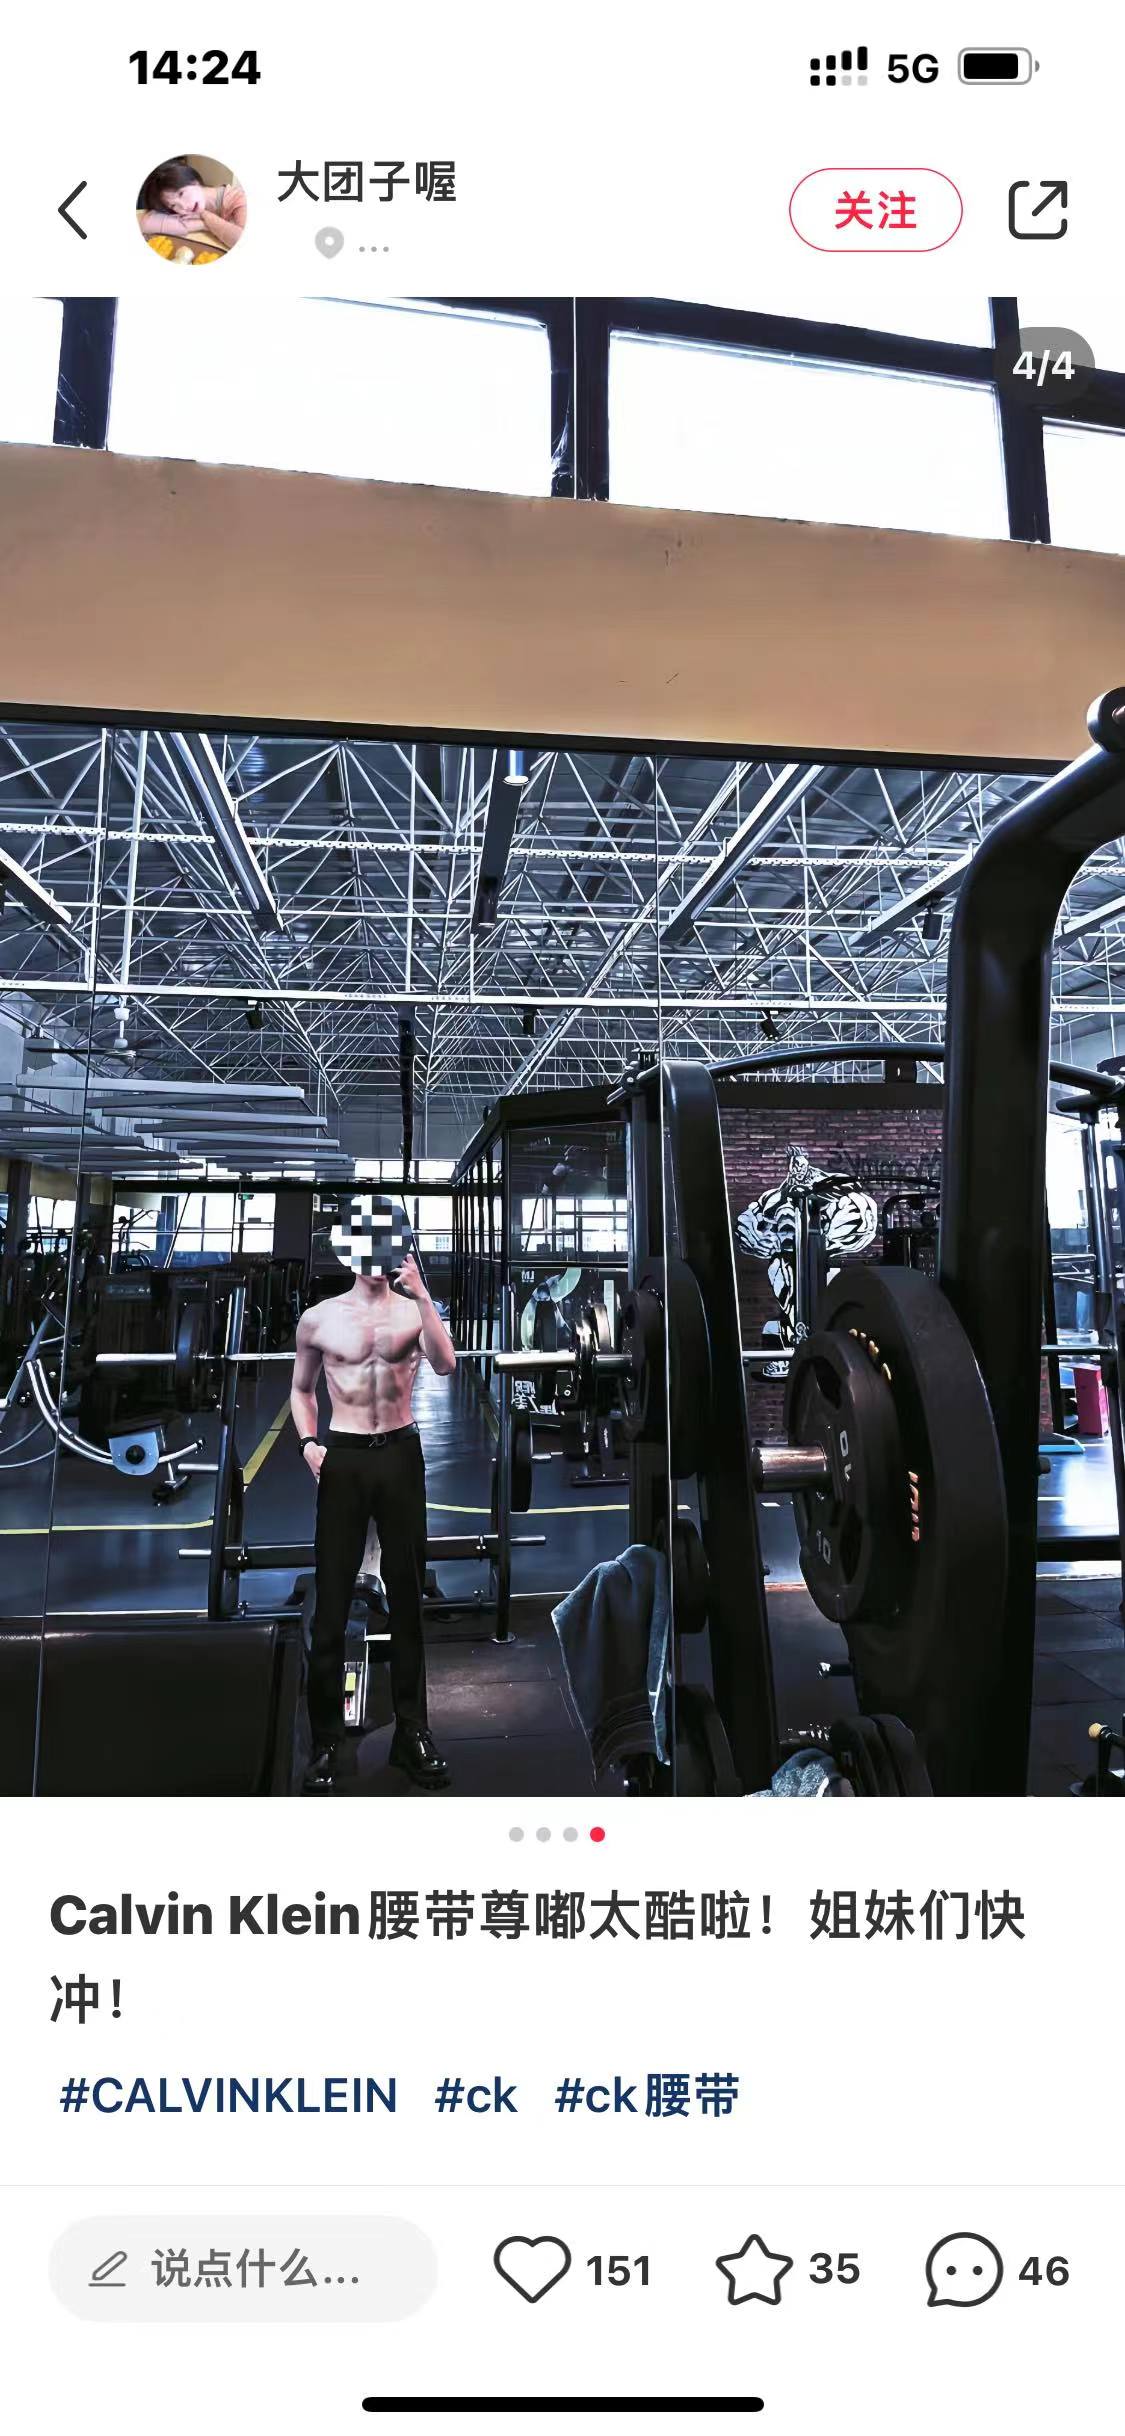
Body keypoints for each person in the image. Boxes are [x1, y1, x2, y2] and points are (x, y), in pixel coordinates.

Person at [290, 1197, 457, 1793]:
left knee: (408, 1598)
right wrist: (309, 1444)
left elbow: (446, 1365)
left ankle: (413, 1731)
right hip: (346, 1457)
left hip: (401, 1455)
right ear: (348, 1250)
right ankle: (326, 1742)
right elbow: (302, 1390)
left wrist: (424, 1293)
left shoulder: (413, 1312)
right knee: (331, 1602)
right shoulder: (319, 1319)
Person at [137, 159, 247, 253]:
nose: (183, 207)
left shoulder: (239, 199)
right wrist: (204, 225)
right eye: (173, 205)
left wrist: (205, 215)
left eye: (181, 193)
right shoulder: (192, 207)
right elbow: (146, 223)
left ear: (194, 180)